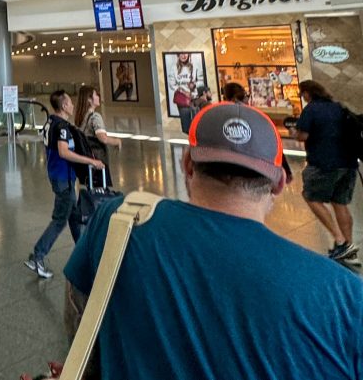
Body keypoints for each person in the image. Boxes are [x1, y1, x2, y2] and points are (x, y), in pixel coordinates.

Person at [63, 102, 363, 378]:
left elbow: (81, 324)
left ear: (188, 164)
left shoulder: (117, 220)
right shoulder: (346, 297)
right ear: (280, 182)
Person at [25, 90, 104, 279]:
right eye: (69, 102)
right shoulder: (61, 127)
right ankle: (38, 256)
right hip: (62, 178)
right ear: (63, 106)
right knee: (60, 219)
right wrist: (90, 161)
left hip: (60, 177)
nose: (73, 105)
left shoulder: (51, 122)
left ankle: (85, 256)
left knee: (75, 217)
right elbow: (63, 152)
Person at [295, 80, 358, 260]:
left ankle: (339, 240)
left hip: (324, 162)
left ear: (308, 93)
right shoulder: (338, 107)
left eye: (303, 94)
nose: (303, 97)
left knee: (310, 196)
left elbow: (302, 135)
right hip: (348, 162)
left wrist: (295, 133)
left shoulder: (312, 109)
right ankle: (348, 246)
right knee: (340, 203)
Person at [73, 86, 120, 187]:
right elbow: (103, 138)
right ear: (89, 100)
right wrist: (117, 141)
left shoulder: (80, 118)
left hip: (86, 160)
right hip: (98, 160)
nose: (98, 97)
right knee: (101, 191)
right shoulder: (95, 117)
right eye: (96, 95)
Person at [167, 53, 202, 134]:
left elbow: (201, 80)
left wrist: (194, 85)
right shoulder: (174, 68)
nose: (183, 56)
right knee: (186, 126)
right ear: (178, 56)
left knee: (197, 123)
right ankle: (190, 140)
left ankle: (195, 140)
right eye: (181, 54)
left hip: (195, 98)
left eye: (185, 54)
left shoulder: (195, 67)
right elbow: (172, 84)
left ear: (188, 55)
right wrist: (183, 91)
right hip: (183, 100)